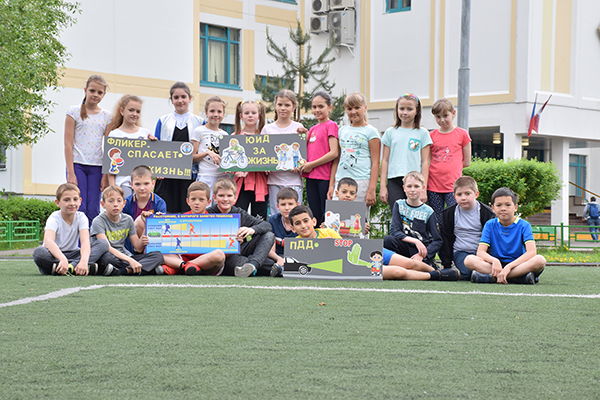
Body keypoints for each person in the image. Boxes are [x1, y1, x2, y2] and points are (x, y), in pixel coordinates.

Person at [334, 178, 456, 281]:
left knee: (408, 262)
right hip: (345, 260)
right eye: (344, 192)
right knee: (398, 272)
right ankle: (435, 275)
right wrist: (325, 229)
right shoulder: (329, 214)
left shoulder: (358, 214)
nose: (347, 196)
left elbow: (437, 240)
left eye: (351, 193)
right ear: (336, 192)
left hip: (362, 251)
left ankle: (436, 271)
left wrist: (364, 230)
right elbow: (326, 240)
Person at [464, 187, 546, 284]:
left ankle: (494, 277)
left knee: (540, 260)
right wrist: (494, 261)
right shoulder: (490, 224)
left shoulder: (524, 225)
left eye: (508, 205)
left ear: (515, 207)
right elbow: (481, 252)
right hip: (496, 265)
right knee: (469, 260)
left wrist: (509, 267)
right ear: (493, 208)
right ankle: (517, 278)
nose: (503, 208)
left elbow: (531, 252)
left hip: (518, 264)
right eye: (499, 205)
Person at [64, 75, 111, 225]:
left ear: (104, 94)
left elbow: (109, 146)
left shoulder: (107, 116)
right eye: (92, 91)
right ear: (85, 90)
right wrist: (71, 172)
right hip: (77, 165)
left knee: (93, 208)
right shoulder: (73, 112)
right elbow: (68, 144)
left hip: (97, 167)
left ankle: (92, 238)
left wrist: (105, 175)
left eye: (99, 92)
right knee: (79, 206)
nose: (95, 95)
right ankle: (78, 239)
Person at [33, 183, 110, 276]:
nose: (72, 203)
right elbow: (48, 241)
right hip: (55, 255)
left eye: (75, 199)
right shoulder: (54, 218)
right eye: (66, 200)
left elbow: (85, 242)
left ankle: (69, 267)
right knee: (38, 253)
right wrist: (62, 259)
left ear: (80, 201)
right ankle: (72, 266)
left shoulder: (81, 217)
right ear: (57, 203)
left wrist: (84, 261)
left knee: (103, 244)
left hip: (74, 254)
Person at [206, 177, 275, 277]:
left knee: (268, 235)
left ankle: (253, 265)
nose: (225, 199)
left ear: (235, 198)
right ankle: (256, 265)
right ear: (214, 198)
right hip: (226, 256)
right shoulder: (208, 214)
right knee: (264, 264)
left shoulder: (239, 212)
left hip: (243, 248)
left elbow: (267, 225)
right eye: (221, 195)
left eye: (229, 196)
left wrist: (252, 229)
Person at [154, 82, 205, 213]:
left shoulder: (200, 122)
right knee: (165, 210)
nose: (180, 100)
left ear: (190, 98)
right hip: (167, 176)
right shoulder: (163, 121)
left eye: (183, 97)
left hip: (190, 174)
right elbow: (156, 147)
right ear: (171, 100)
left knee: (188, 210)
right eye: (176, 97)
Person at [91, 186, 164, 275]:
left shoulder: (128, 219)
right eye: (111, 201)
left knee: (158, 256)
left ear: (124, 203)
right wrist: (130, 260)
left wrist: (146, 224)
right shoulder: (98, 221)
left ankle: (123, 271)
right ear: (103, 204)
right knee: (106, 258)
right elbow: (106, 247)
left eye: (119, 201)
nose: (115, 204)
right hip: (110, 255)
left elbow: (138, 248)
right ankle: (142, 269)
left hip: (125, 257)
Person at [160, 181, 226, 276]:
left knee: (219, 255)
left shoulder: (215, 221)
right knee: (159, 250)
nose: (197, 203)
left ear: (208, 202)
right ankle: (187, 267)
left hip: (206, 260)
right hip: (183, 258)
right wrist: (159, 221)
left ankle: (180, 268)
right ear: (188, 201)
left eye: (201, 200)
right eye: (193, 199)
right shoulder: (180, 219)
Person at [380, 93, 432, 207]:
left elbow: (424, 162)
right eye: (402, 108)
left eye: (409, 109)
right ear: (397, 110)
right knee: (397, 213)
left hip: (415, 182)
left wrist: (423, 189)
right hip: (394, 180)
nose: (405, 112)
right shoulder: (390, 132)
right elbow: (385, 160)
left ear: (417, 111)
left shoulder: (423, 133)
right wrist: (383, 187)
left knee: (415, 213)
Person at [439, 176, 495, 280]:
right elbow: (445, 239)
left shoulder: (486, 213)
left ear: (476, 194)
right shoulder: (449, 214)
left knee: (480, 266)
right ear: (454, 196)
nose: (463, 198)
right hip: (461, 252)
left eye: (467, 194)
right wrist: (446, 264)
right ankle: (487, 274)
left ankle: (485, 274)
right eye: (459, 194)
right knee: (468, 270)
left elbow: (493, 238)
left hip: (482, 253)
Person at [383, 171, 442, 267]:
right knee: (388, 239)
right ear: (404, 188)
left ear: (423, 188)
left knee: (423, 263)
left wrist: (423, 255)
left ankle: (427, 265)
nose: (412, 190)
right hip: (405, 246)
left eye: (416, 186)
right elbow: (394, 231)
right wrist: (415, 241)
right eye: (409, 186)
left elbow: (437, 240)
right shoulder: (399, 205)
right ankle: (396, 263)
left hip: (420, 250)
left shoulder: (428, 211)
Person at [331, 92, 380, 206]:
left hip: (361, 181)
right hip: (341, 180)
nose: (353, 112)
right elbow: (337, 159)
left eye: (357, 108)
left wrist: (371, 189)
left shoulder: (371, 132)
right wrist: (331, 185)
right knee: (336, 214)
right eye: (349, 109)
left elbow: (375, 162)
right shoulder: (342, 131)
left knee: (358, 216)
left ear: (365, 108)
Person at [427, 98, 472, 220]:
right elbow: (429, 161)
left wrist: (451, 168)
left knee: (454, 218)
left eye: (445, 116)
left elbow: (467, 162)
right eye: (438, 117)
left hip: (454, 185)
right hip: (433, 185)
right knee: (436, 219)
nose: (442, 120)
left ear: (453, 113)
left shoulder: (462, 134)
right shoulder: (431, 136)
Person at [261, 90, 305, 213]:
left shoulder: (299, 128)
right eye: (280, 104)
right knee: (276, 213)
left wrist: (299, 165)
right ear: (275, 105)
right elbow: (262, 153)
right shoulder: (267, 129)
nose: (283, 108)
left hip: (294, 180)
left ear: (294, 107)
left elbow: (302, 154)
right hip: (274, 181)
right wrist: (264, 165)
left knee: (295, 214)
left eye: (287, 105)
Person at [299, 91, 340, 224]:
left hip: (324, 178)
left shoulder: (331, 125)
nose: (317, 110)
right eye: (314, 107)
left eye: (321, 106)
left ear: (330, 107)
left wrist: (311, 165)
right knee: (314, 215)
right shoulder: (312, 129)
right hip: (311, 178)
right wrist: (300, 134)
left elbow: (334, 153)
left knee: (326, 215)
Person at [106, 95, 157, 198]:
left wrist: (154, 143)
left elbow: (153, 158)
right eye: (131, 110)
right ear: (122, 111)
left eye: (138, 111)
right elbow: (110, 164)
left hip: (141, 185)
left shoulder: (145, 133)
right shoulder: (114, 134)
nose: (134, 114)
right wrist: (112, 187)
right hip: (122, 183)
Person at [232, 100, 269, 220]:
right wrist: (235, 170)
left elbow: (270, 158)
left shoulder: (265, 136)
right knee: (238, 215)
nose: (250, 116)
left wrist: (269, 167)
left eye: (254, 113)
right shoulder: (234, 137)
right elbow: (230, 161)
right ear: (241, 116)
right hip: (241, 182)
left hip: (260, 183)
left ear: (259, 115)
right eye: (247, 113)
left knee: (259, 217)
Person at [191, 96, 230, 199]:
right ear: (206, 113)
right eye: (212, 111)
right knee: (205, 206)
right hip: (205, 177)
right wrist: (207, 153)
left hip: (223, 178)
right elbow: (190, 157)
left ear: (223, 114)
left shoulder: (225, 135)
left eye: (219, 111)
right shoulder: (199, 131)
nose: (215, 114)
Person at [122, 165, 167, 254]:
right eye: (137, 184)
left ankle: (147, 254)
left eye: (146, 184)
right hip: (131, 244)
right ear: (131, 185)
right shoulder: (126, 203)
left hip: (152, 240)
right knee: (138, 221)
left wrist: (159, 219)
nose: (142, 188)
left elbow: (163, 229)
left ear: (153, 184)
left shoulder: (160, 203)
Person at [267, 187, 300, 274]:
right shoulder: (273, 220)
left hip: (296, 257)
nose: (287, 208)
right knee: (263, 260)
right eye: (283, 204)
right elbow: (270, 250)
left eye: (290, 204)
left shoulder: (302, 221)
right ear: (277, 206)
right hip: (276, 257)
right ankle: (282, 268)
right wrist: (279, 259)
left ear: (297, 205)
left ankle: (280, 270)